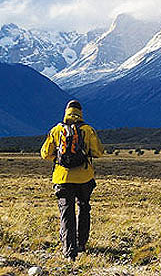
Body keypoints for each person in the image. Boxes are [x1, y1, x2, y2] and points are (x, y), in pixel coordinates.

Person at [41, 100, 104, 261]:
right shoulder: (88, 130)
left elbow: (45, 154)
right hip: (84, 177)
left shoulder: (56, 130)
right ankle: (81, 243)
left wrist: (59, 155)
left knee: (66, 212)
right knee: (83, 208)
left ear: (66, 112)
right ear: (81, 113)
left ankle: (69, 251)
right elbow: (98, 152)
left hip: (62, 178)